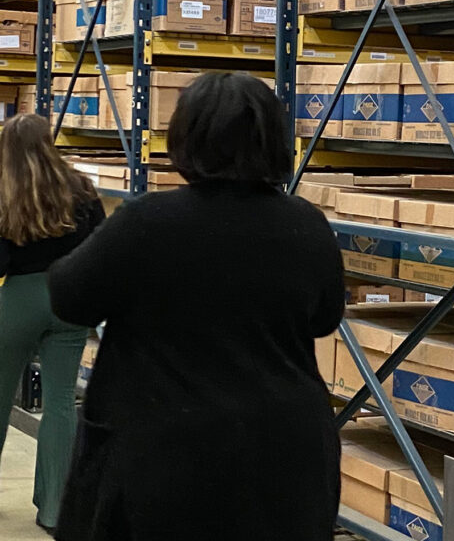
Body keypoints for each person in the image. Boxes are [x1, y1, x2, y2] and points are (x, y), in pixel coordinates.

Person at [49, 73, 345, 541]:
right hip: (284, 457)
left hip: (166, 457)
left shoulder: (146, 222)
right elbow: (326, 318)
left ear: (186, 137)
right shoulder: (306, 224)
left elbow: (69, 299)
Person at [0, 113, 105, 536]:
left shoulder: (4, 189)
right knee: (61, 403)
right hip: (67, 300)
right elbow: (97, 246)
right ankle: (55, 511)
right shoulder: (80, 187)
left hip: (18, 300)